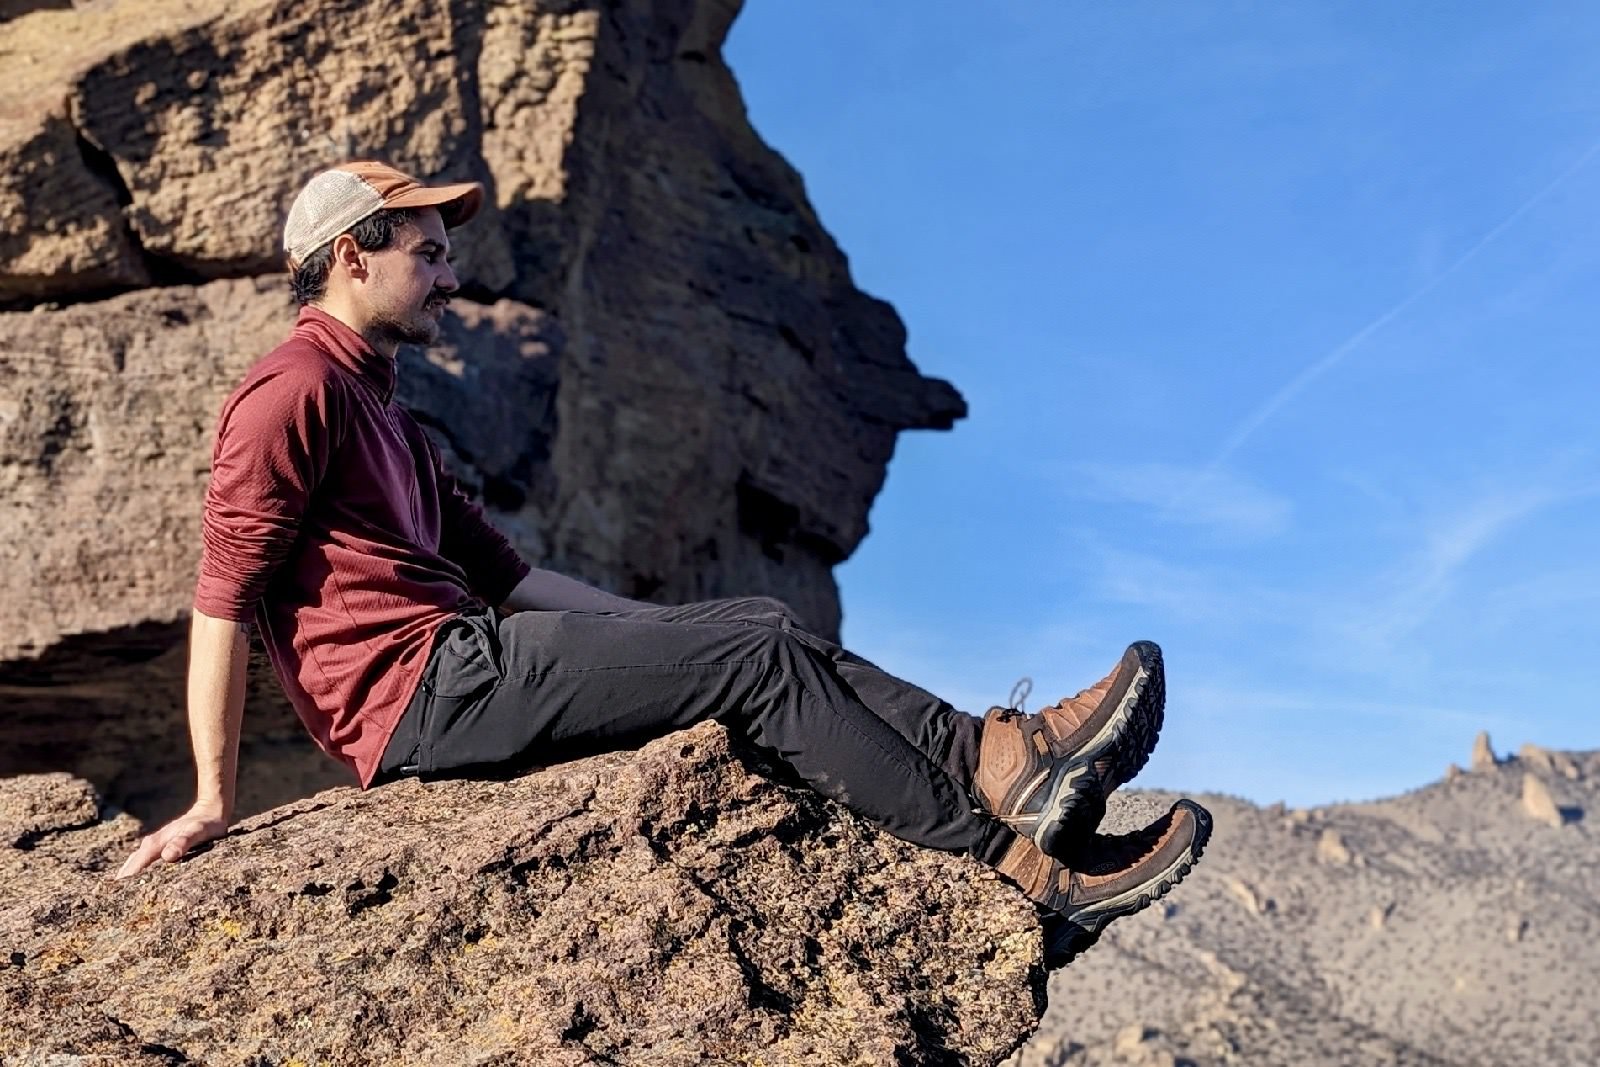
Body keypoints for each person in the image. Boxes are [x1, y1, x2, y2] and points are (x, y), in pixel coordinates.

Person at [115, 161, 1210, 966]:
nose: (450, 276)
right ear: (351, 255)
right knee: (751, 660)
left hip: (469, 658)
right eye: (428, 252)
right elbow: (223, 597)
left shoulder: (387, 415)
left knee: (758, 628)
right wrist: (213, 797)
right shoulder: (290, 391)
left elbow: (517, 578)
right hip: (421, 699)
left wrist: (668, 633)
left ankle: (1002, 760)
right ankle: (1015, 875)